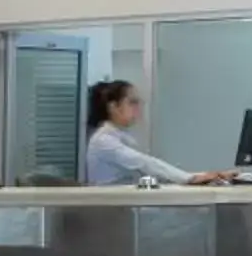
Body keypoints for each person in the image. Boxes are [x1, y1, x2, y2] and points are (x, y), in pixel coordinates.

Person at [82, 80, 235, 186]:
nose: (138, 108)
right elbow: (145, 163)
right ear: (113, 107)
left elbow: (154, 171)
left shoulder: (122, 137)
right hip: (115, 215)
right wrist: (190, 178)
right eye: (133, 102)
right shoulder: (103, 141)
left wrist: (209, 175)